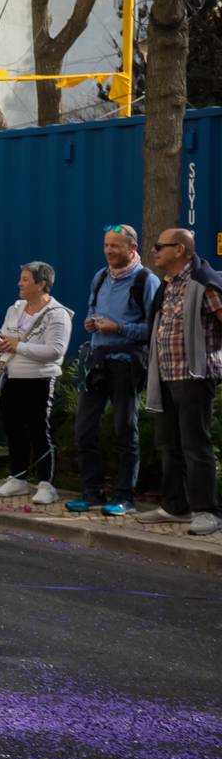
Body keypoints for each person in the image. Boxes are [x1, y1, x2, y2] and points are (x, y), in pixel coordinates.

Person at [67, 225, 160, 515]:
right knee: (84, 429)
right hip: (97, 360)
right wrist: (92, 323)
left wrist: (118, 328)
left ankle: (125, 496)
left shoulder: (147, 281)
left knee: (125, 429)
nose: (108, 251)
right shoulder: (100, 277)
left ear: (132, 248)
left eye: (115, 246)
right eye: (106, 245)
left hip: (127, 362)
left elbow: (153, 329)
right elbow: (92, 310)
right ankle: (92, 492)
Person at [136, 228, 222, 535]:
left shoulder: (204, 283)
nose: (155, 250)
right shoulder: (168, 285)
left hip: (194, 376)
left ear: (181, 250)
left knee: (195, 445)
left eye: (161, 246)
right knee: (168, 445)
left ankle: (207, 511)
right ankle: (175, 506)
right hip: (166, 377)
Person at [0, 262, 73, 504]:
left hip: (41, 379)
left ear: (41, 284)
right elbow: (1, 339)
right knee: (13, 429)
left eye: (25, 279)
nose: (19, 283)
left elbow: (55, 351)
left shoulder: (58, 314)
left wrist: (18, 345)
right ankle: (18, 478)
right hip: (12, 378)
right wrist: (0, 344)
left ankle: (47, 484)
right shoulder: (14, 309)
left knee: (39, 431)